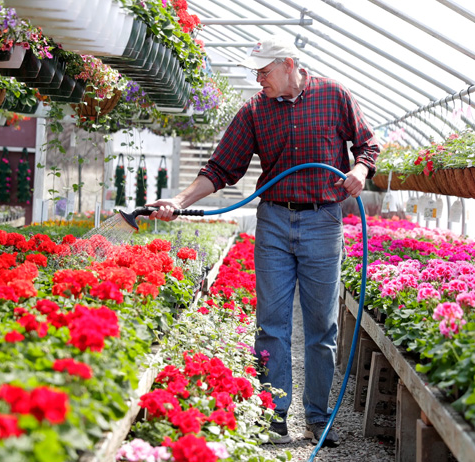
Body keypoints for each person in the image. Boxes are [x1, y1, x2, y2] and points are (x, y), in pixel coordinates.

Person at [147, 35, 379, 447]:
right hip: (272, 221)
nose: (259, 81)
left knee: (322, 328)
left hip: (324, 221)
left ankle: (317, 418)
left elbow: (367, 144)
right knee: (270, 325)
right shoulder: (254, 110)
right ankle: (274, 417)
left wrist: (360, 170)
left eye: (265, 72)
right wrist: (179, 200)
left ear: (289, 65)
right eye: (256, 73)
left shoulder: (334, 95)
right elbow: (221, 167)